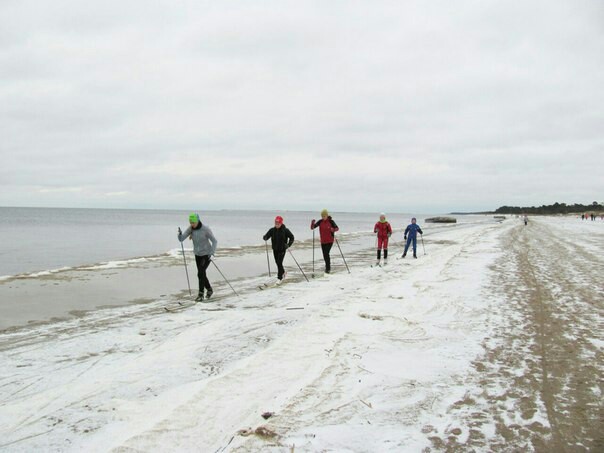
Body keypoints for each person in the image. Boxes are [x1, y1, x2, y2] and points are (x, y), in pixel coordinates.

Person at [178, 213, 217, 301]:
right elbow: (181, 239)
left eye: (193, 222)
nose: (192, 224)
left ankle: (201, 294)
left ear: (198, 221)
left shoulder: (206, 229)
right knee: (201, 273)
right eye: (190, 222)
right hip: (197, 255)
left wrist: (212, 252)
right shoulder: (191, 229)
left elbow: (214, 241)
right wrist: (179, 234)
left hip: (206, 254)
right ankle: (209, 290)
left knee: (200, 273)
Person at [263, 215, 294, 281]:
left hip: (282, 249)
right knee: (277, 263)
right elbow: (267, 236)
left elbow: (292, 237)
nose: (277, 224)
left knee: (279, 263)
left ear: (281, 223)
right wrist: (265, 237)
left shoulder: (285, 230)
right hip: (275, 249)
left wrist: (288, 245)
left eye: (278, 223)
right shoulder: (272, 230)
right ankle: (283, 272)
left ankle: (279, 278)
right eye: (276, 223)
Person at [310, 209, 339, 273]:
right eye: (322, 216)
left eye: (324, 216)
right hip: (323, 241)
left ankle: (328, 269)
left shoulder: (331, 221)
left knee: (326, 253)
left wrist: (333, 229)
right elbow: (312, 228)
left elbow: (337, 228)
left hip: (330, 240)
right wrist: (312, 223)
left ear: (327, 215)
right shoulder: (320, 221)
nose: (323, 217)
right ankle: (327, 267)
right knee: (324, 255)